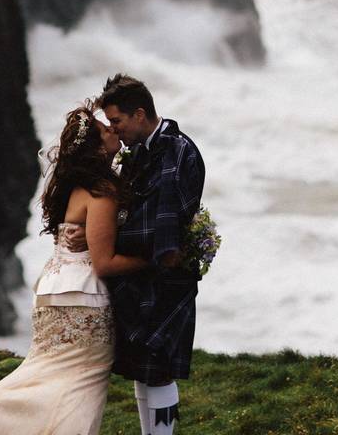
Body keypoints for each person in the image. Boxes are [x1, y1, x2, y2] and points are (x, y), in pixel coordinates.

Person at [0, 103, 148, 435]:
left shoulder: (73, 187)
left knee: (42, 375)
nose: (112, 130)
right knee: (80, 389)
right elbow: (104, 262)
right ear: (94, 147)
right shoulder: (102, 190)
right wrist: (158, 258)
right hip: (84, 296)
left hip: (53, 290)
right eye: (104, 130)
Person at [93, 73, 206, 435]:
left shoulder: (179, 151)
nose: (115, 129)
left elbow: (160, 222)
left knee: (158, 369)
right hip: (144, 276)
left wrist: (111, 245)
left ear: (139, 114)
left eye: (117, 121)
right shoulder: (138, 153)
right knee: (144, 369)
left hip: (166, 277)